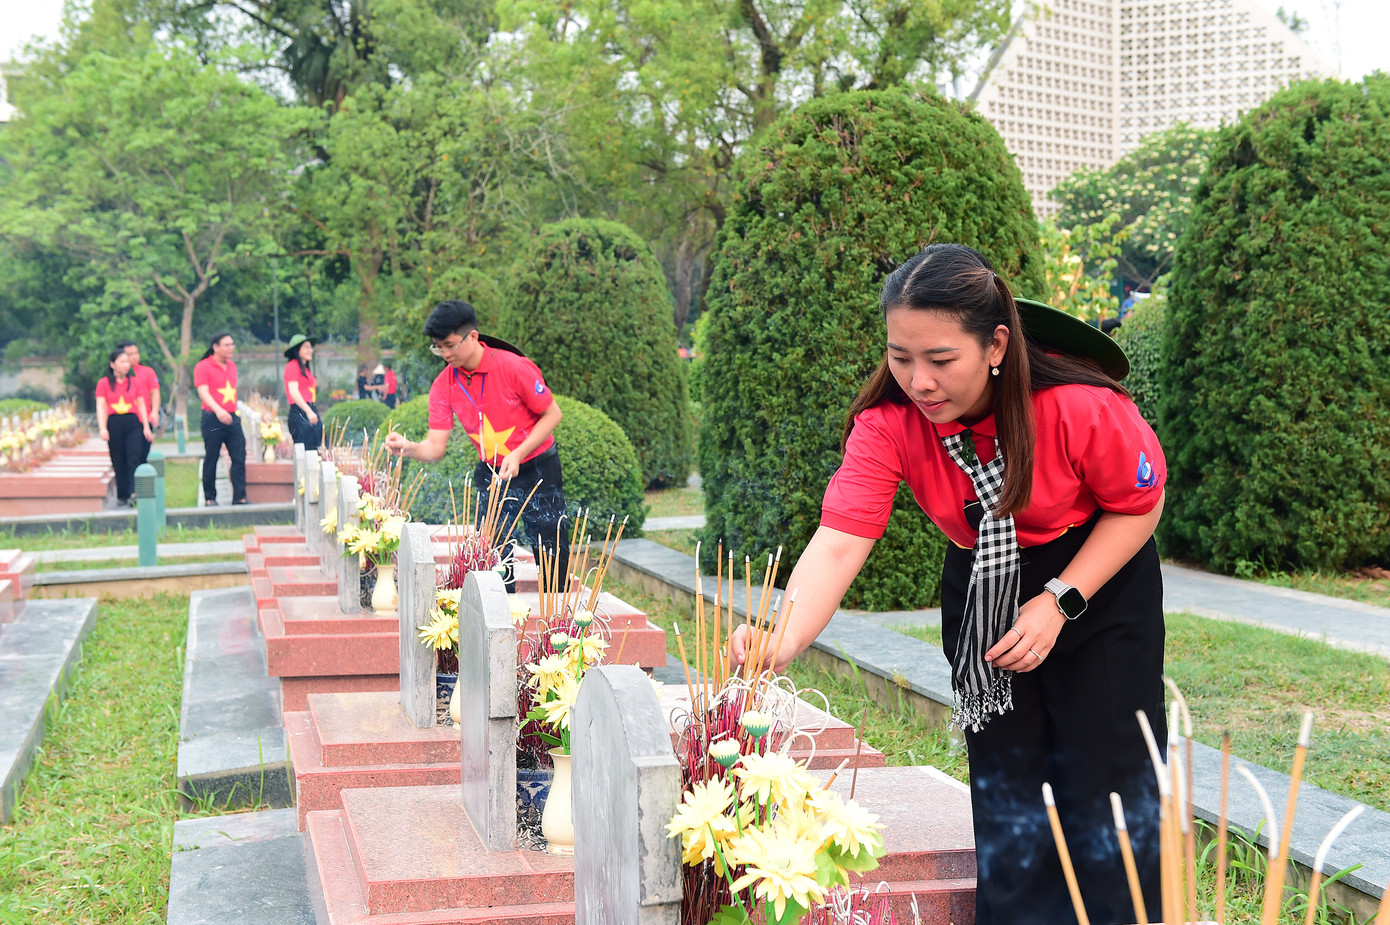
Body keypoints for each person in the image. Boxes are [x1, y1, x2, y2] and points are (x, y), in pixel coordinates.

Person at [729, 244, 1168, 925]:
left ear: (996, 344)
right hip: (985, 581)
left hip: (1097, 584)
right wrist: (780, 639)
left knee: (1109, 781)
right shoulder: (888, 425)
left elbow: (1138, 505)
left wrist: (1060, 600)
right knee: (1008, 783)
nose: (918, 381)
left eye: (939, 360)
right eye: (900, 357)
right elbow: (842, 541)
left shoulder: (1077, 405)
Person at [384, 300, 571, 591]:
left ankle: (557, 620)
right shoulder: (443, 385)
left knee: (550, 545)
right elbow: (435, 448)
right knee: (494, 555)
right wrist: (407, 447)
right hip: (492, 471)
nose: (445, 354)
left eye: (450, 345)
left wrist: (519, 454)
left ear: (472, 336)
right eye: (438, 347)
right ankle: (500, 620)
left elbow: (552, 414)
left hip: (537, 465)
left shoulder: (513, 367)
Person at [193, 331, 247, 505]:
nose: (231, 348)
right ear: (215, 347)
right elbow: (203, 392)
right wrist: (218, 411)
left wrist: (229, 412)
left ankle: (239, 496)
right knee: (212, 457)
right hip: (213, 417)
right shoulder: (203, 366)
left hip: (231, 416)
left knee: (239, 455)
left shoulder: (231, 365)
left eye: (232, 344)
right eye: (227, 345)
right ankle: (210, 497)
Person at [95, 346, 154, 507]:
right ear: (112, 364)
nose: (126, 365)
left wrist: (146, 427)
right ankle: (123, 494)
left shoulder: (134, 382)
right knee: (118, 458)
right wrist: (102, 428)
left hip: (132, 422)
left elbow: (141, 404)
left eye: (127, 362)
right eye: (122, 362)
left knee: (134, 457)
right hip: (114, 423)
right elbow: (101, 406)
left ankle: (135, 492)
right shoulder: (104, 383)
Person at [119, 340, 161, 463]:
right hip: (126, 418)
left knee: (142, 455)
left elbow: (155, 392)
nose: (135, 356)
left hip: (144, 419)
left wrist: (154, 412)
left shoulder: (147, 372)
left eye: (136, 353)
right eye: (130, 354)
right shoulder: (118, 375)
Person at [282, 334, 323, 449]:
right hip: (300, 412)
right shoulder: (292, 366)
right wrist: (308, 411)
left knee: (316, 449)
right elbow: (293, 392)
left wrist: (311, 411)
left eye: (311, 347)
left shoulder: (305, 369)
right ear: (297, 349)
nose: (310, 350)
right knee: (307, 452)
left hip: (309, 409)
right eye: (306, 347)